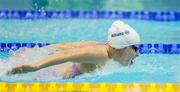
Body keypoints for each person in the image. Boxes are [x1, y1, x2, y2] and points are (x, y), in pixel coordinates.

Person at [7, 20, 140, 79]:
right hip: (52, 76)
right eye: (135, 48)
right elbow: (66, 53)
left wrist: (34, 53)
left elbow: (66, 45)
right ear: (122, 48)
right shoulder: (99, 54)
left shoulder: (105, 47)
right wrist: (35, 66)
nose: (137, 54)